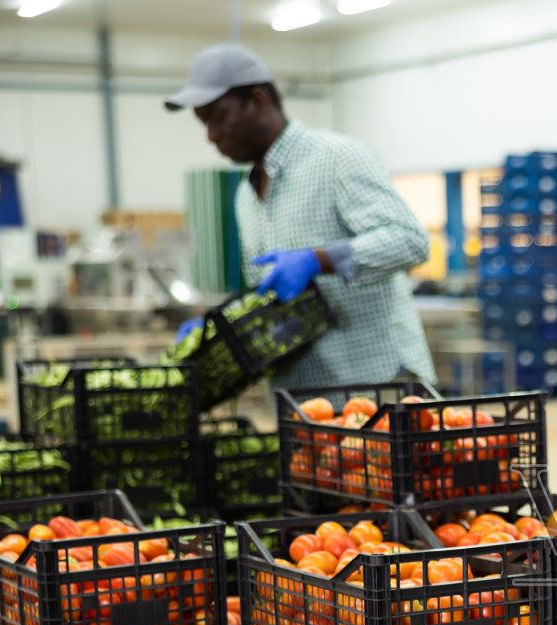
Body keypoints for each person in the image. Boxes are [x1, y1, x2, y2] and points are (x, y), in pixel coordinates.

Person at [165, 43, 435, 388]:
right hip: (302, 404)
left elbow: (408, 240)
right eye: (204, 124)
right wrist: (219, 329)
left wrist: (318, 260)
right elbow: (270, 297)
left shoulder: (338, 158)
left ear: (259, 101)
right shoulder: (246, 196)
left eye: (218, 119)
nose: (212, 136)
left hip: (379, 393)